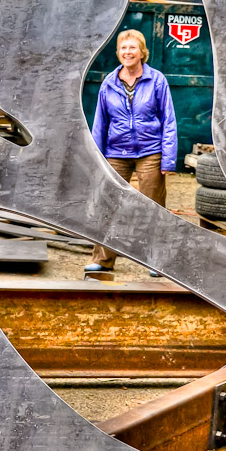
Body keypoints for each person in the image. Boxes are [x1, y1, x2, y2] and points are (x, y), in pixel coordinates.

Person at [85, 29, 177, 279]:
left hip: (151, 151)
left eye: (132, 48)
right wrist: (97, 159)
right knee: (108, 204)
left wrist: (168, 158)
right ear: (118, 53)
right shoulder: (109, 83)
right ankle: (103, 260)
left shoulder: (157, 80)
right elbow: (100, 123)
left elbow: (169, 120)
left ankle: (157, 261)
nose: (128, 52)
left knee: (153, 207)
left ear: (142, 52)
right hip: (116, 150)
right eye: (123, 48)